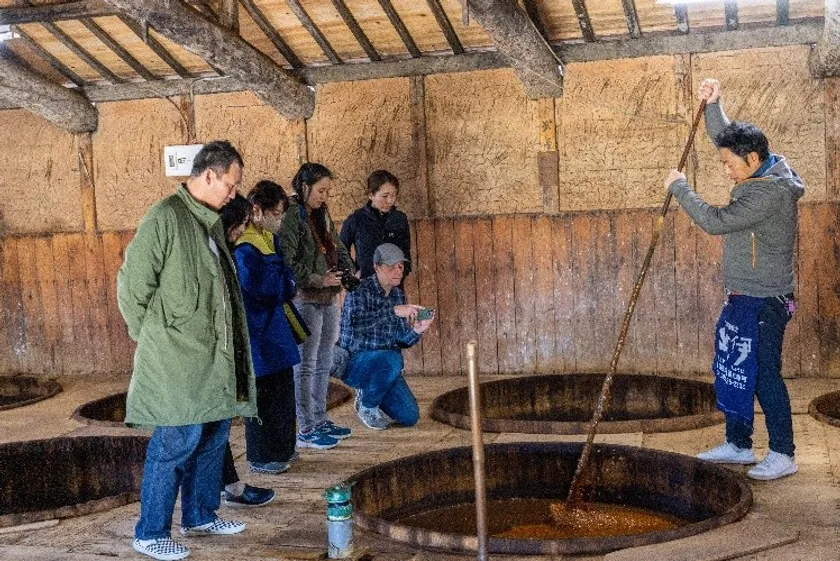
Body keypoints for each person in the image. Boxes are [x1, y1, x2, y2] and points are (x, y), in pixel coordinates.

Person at [117, 141, 256, 561]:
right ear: (209, 175)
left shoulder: (209, 223)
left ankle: (199, 515)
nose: (234, 193)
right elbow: (132, 288)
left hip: (214, 358)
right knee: (176, 441)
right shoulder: (165, 217)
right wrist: (155, 338)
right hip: (177, 360)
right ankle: (150, 532)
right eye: (230, 184)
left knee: (213, 436)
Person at [664, 79, 804, 481]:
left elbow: (714, 221)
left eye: (729, 164)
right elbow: (726, 140)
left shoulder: (768, 193)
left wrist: (680, 188)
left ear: (753, 158)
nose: (726, 170)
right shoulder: (762, 169)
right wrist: (714, 104)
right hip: (744, 296)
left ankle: (783, 452)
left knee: (763, 375)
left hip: (765, 300)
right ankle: (739, 444)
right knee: (734, 369)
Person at [278, 163, 355, 450]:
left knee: (324, 361)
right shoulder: (291, 215)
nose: (324, 196)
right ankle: (306, 426)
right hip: (306, 298)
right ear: (304, 187)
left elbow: (337, 245)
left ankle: (321, 418)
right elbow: (287, 261)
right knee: (305, 364)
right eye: (320, 191)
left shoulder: (322, 213)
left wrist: (348, 270)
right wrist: (318, 279)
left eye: (327, 191)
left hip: (329, 296)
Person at [233, 181, 300, 473]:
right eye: (276, 214)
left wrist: (286, 283)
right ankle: (262, 455)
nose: (279, 220)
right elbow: (267, 288)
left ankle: (283, 447)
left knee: (283, 390)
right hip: (257, 329)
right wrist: (286, 284)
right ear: (257, 211)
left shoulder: (268, 239)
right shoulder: (245, 246)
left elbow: (287, 279)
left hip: (275, 327)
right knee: (263, 393)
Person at [335, 243, 434, 430]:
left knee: (410, 416)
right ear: (376, 267)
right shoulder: (358, 290)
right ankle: (367, 406)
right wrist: (394, 311)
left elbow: (400, 340)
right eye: (391, 266)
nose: (398, 271)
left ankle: (371, 391)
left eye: (401, 266)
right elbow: (358, 326)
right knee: (392, 358)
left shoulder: (398, 295)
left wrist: (417, 330)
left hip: (386, 364)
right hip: (354, 362)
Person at [218, 194, 276, 508]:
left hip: (226, 349)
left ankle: (229, 488)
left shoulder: (227, 251)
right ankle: (220, 494)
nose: (243, 230)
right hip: (208, 353)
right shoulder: (220, 252)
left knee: (216, 427)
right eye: (241, 223)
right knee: (207, 430)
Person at [340, 169, 411, 281]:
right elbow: (341, 250)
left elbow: (406, 251)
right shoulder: (356, 219)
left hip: (394, 285)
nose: (390, 201)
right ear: (371, 195)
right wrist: (354, 272)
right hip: (365, 283)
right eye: (385, 196)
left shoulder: (400, 218)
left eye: (393, 195)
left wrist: (402, 271)